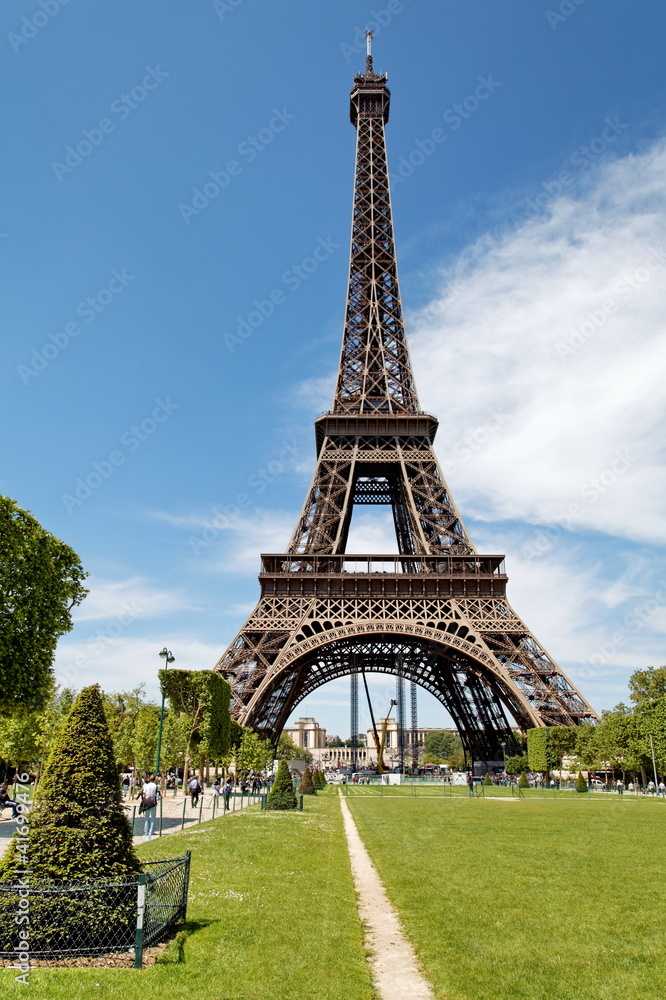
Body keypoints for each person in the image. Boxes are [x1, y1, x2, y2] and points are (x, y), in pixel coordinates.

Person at [140, 775, 159, 841]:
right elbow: (157, 794)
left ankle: (146, 831)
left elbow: (144, 794)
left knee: (146, 816)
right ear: (154, 779)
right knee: (153, 817)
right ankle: (151, 831)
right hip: (153, 801)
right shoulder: (155, 786)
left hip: (147, 801)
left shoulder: (146, 786)